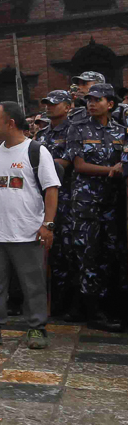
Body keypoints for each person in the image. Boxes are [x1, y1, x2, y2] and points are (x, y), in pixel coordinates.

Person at [0, 102, 58, 349]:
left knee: (33, 284)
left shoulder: (36, 152)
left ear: (10, 123)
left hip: (28, 232)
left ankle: (36, 329)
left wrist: (47, 225)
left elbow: (51, 189)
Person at [62, 83, 127, 331]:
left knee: (110, 253)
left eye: (97, 99)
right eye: (88, 99)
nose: (91, 103)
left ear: (110, 104)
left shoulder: (122, 131)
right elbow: (79, 165)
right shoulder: (78, 129)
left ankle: (108, 305)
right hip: (86, 204)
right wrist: (111, 170)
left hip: (112, 203)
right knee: (87, 253)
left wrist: (121, 167)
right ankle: (91, 310)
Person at [37, 90, 76, 316]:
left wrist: (40, 166)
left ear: (68, 106)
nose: (49, 107)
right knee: (48, 254)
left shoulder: (73, 130)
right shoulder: (41, 134)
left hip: (68, 199)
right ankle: (51, 305)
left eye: (54, 103)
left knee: (67, 253)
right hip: (43, 199)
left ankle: (69, 306)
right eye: (47, 103)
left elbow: (67, 162)